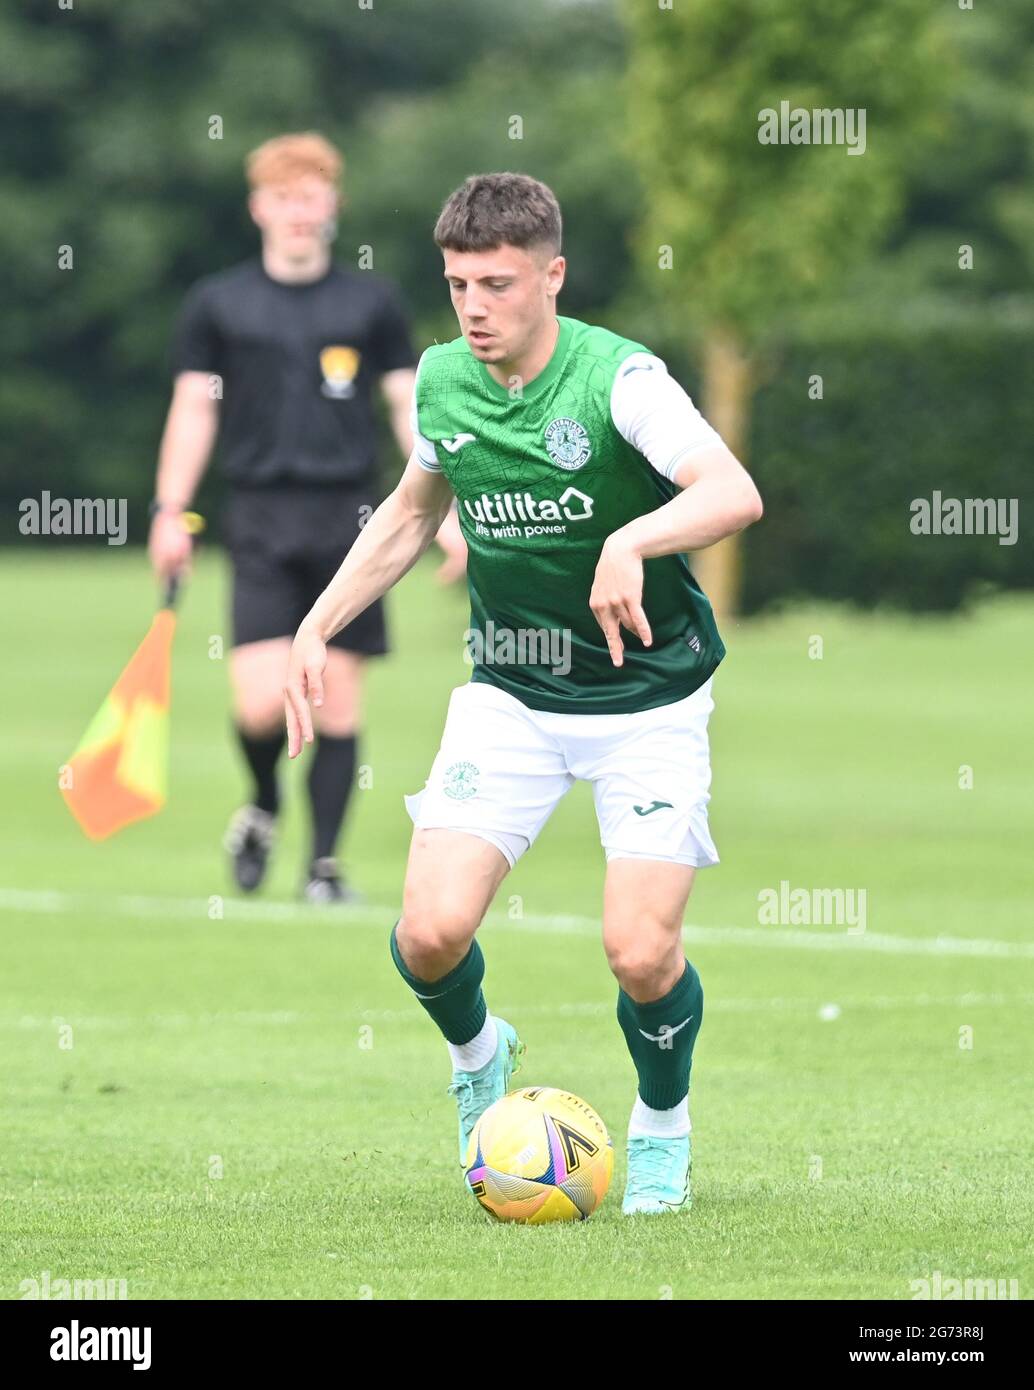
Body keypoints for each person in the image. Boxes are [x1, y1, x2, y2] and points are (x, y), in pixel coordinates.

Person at [283, 172, 763, 1213]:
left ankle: (661, 1127)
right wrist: (316, 623)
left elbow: (731, 492)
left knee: (639, 951)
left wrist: (630, 538)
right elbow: (413, 513)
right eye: (457, 284)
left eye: (496, 283)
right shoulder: (444, 379)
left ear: (552, 275)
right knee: (426, 934)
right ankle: (477, 1056)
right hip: (509, 694)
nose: (473, 306)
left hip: (648, 700)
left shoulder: (618, 380)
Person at [149, 131, 466, 903]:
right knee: (259, 701)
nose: (300, 211)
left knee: (337, 700)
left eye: (313, 195)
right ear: (260, 208)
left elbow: (405, 405)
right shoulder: (220, 304)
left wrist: (447, 506)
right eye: (285, 197)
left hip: (354, 519)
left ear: (334, 205)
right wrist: (170, 510)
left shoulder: (370, 301)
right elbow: (194, 408)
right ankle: (261, 804)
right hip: (258, 516)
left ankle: (323, 868)